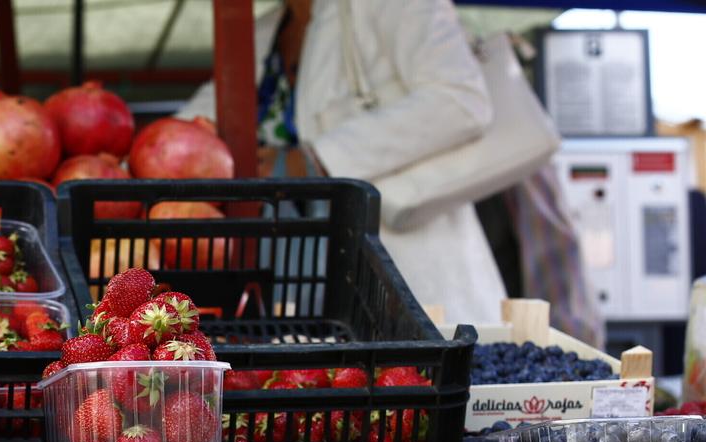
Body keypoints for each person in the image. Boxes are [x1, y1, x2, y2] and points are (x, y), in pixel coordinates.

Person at [180, 0, 507, 326]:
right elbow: (193, 124)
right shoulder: (260, 30)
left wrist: (314, 159)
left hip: (416, 270)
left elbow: (461, 102)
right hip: (308, 281)